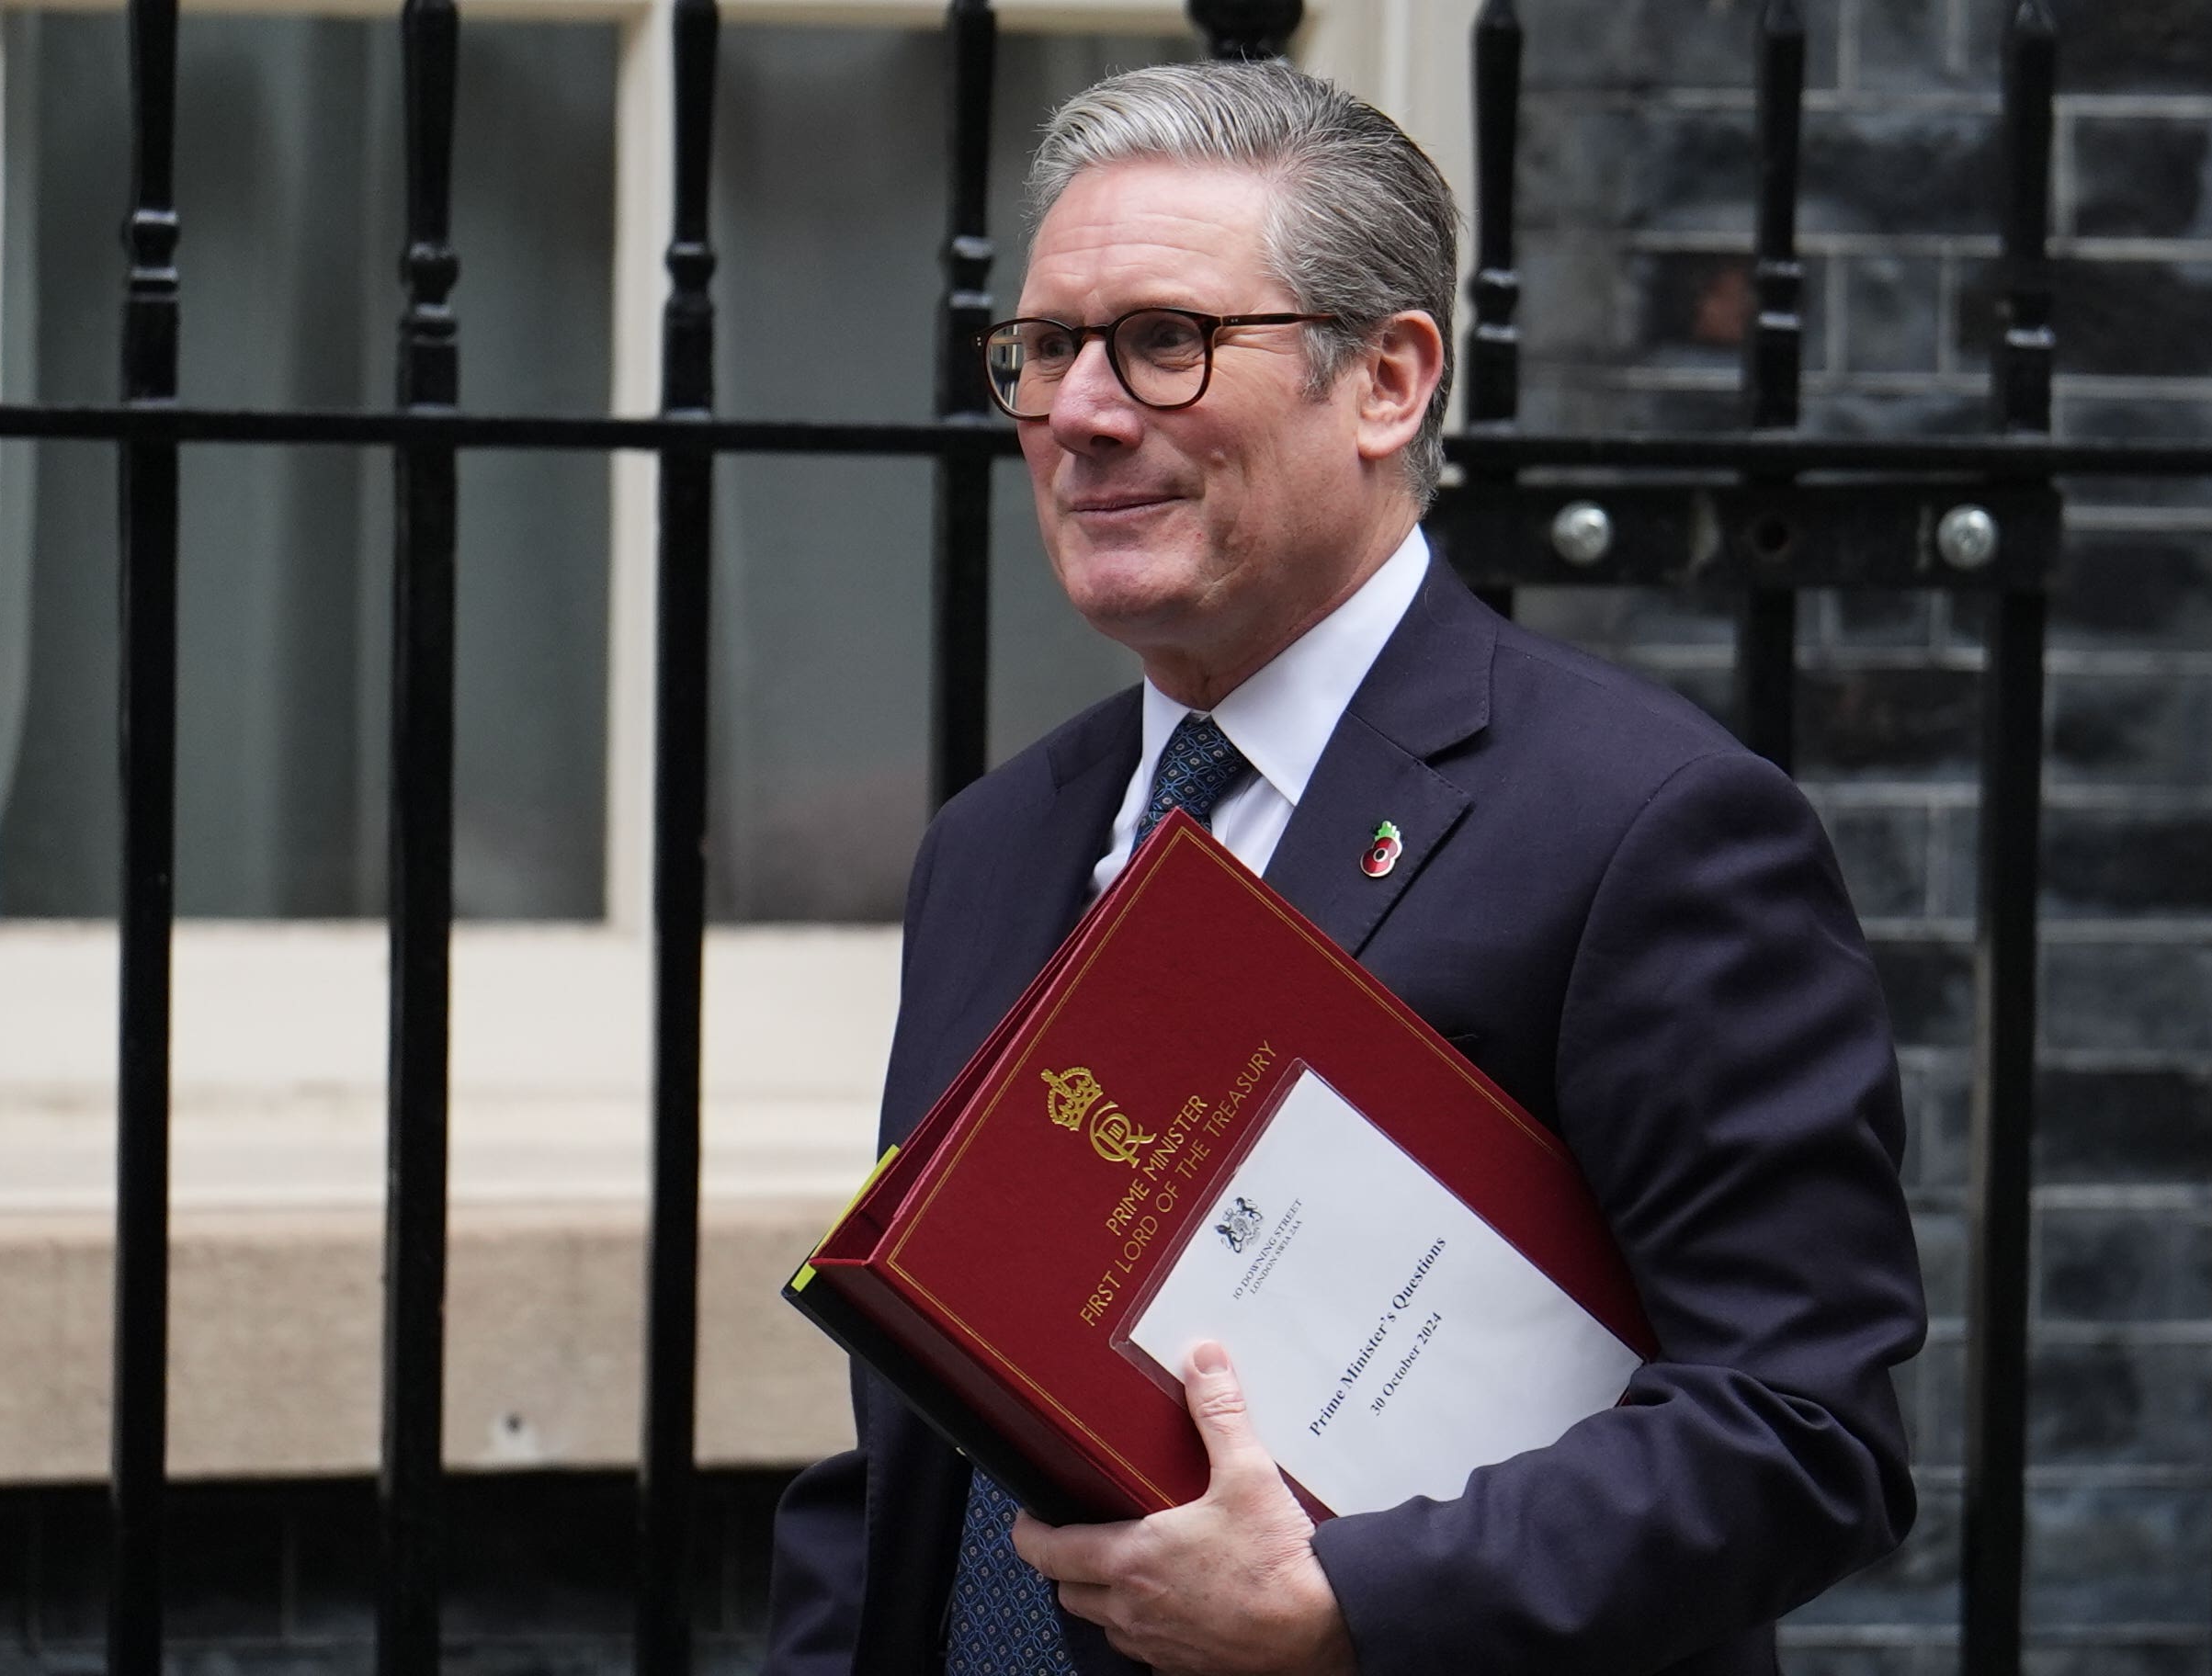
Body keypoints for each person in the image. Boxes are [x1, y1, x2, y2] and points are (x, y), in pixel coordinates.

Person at [766, 58, 1924, 1676]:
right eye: (1042, 351)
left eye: (1166, 342)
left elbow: (1802, 1432)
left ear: (1386, 380)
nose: (1084, 415)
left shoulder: (1643, 823)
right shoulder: (995, 845)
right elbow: (916, 1450)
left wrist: (1344, 1608)